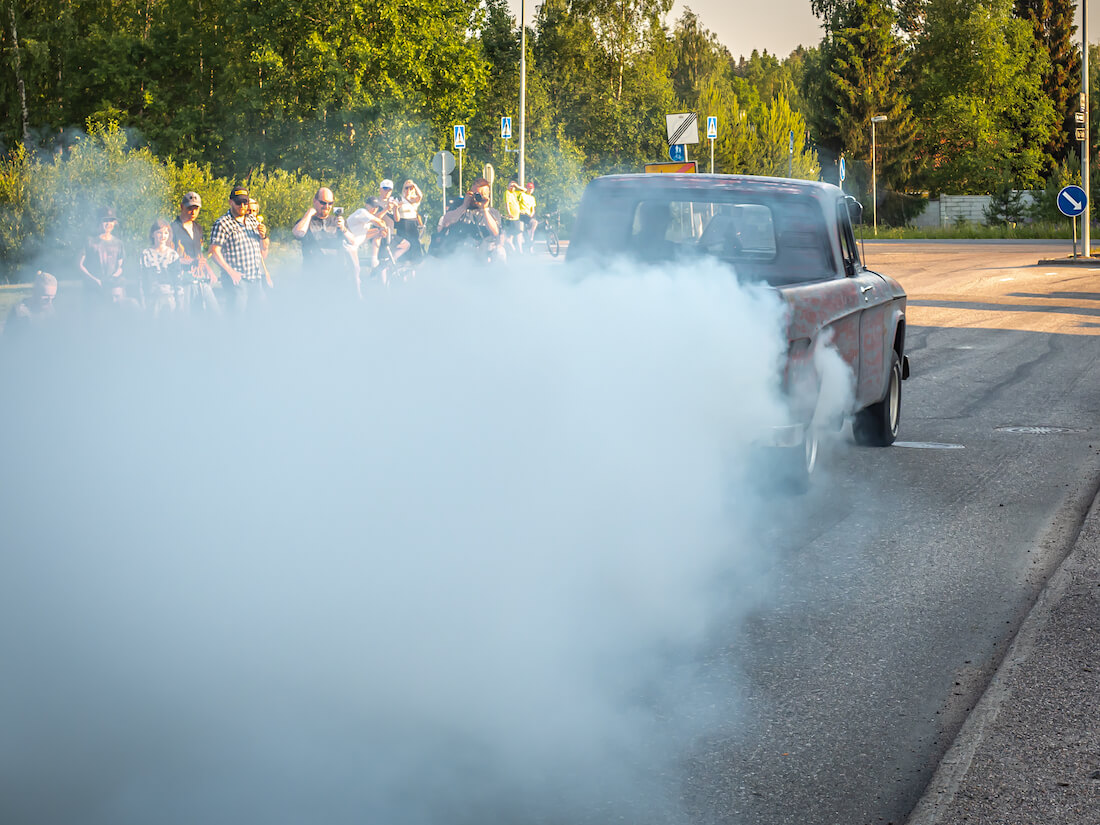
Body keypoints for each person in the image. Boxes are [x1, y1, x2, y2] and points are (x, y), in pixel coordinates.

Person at [208, 186, 266, 312]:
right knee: (237, 321)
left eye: (245, 202)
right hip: (236, 282)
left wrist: (264, 236)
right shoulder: (222, 223)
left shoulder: (252, 220)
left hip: (255, 278)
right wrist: (230, 271)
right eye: (238, 202)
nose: (242, 206)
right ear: (230, 202)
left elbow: (264, 248)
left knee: (260, 319)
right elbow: (213, 251)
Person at [292, 187, 358, 295]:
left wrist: (344, 229)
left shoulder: (338, 221)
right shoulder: (307, 221)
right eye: (323, 202)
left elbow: (353, 242)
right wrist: (308, 214)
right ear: (314, 201)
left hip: (336, 275)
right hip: (312, 277)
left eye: (330, 203)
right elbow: (297, 233)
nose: (326, 206)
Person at [432, 177, 503, 261]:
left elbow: (495, 232)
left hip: (482, 254)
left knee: (500, 252)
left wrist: (484, 209)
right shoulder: (459, 207)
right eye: (475, 194)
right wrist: (464, 206)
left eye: (481, 194)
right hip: (458, 253)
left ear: (488, 195)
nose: (477, 197)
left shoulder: (492, 212)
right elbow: (446, 220)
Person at [171, 191, 219, 313]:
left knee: (215, 314)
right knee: (186, 318)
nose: (193, 212)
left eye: (196, 209)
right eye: (190, 208)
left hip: (201, 279)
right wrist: (191, 262)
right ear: (182, 206)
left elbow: (200, 254)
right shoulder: (171, 229)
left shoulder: (198, 228)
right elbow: (169, 257)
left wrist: (209, 270)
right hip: (182, 282)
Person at [78, 207, 125, 298]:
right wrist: (94, 280)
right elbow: (79, 264)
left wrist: (113, 278)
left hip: (111, 291)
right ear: (99, 222)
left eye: (111, 220)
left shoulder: (119, 243)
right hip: (92, 291)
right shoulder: (89, 241)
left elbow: (121, 267)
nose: (108, 223)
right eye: (105, 220)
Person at [141, 219, 182, 317]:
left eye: (166, 233)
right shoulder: (145, 254)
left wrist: (179, 304)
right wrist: (142, 302)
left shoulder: (173, 255)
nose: (163, 236)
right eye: (159, 232)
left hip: (169, 299)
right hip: (151, 299)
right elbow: (141, 280)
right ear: (152, 234)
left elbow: (178, 281)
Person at [5, 270, 57, 336]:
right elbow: (7, 342)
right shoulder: (19, 313)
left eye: (52, 297)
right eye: (45, 296)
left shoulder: (50, 309)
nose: (49, 302)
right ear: (35, 292)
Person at [392, 180, 425, 265]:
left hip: (413, 225)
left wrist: (414, 185)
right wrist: (396, 207)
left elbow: (420, 196)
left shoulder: (414, 200)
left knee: (415, 248)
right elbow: (396, 217)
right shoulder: (399, 199)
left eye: (410, 188)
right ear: (403, 189)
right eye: (406, 188)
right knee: (404, 250)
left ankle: (414, 272)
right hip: (403, 224)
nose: (408, 190)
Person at [248, 196, 274, 287]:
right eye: (249, 210)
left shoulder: (259, 226)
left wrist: (262, 236)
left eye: (254, 211)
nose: (251, 213)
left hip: (258, 270)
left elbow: (264, 254)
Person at [502, 181, 525, 255]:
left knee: (516, 234)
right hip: (511, 218)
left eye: (513, 186)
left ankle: (516, 251)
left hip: (516, 217)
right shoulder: (507, 193)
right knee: (511, 236)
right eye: (510, 186)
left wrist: (517, 186)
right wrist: (509, 213)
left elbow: (524, 190)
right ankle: (514, 250)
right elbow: (507, 204)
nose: (512, 187)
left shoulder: (515, 193)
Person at [517, 181, 539, 246]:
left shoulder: (532, 198)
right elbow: (517, 203)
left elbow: (533, 208)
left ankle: (530, 240)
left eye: (531, 188)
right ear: (526, 188)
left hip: (529, 215)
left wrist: (532, 214)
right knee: (535, 222)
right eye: (529, 188)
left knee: (534, 224)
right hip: (522, 213)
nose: (530, 190)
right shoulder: (522, 194)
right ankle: (531, 237)